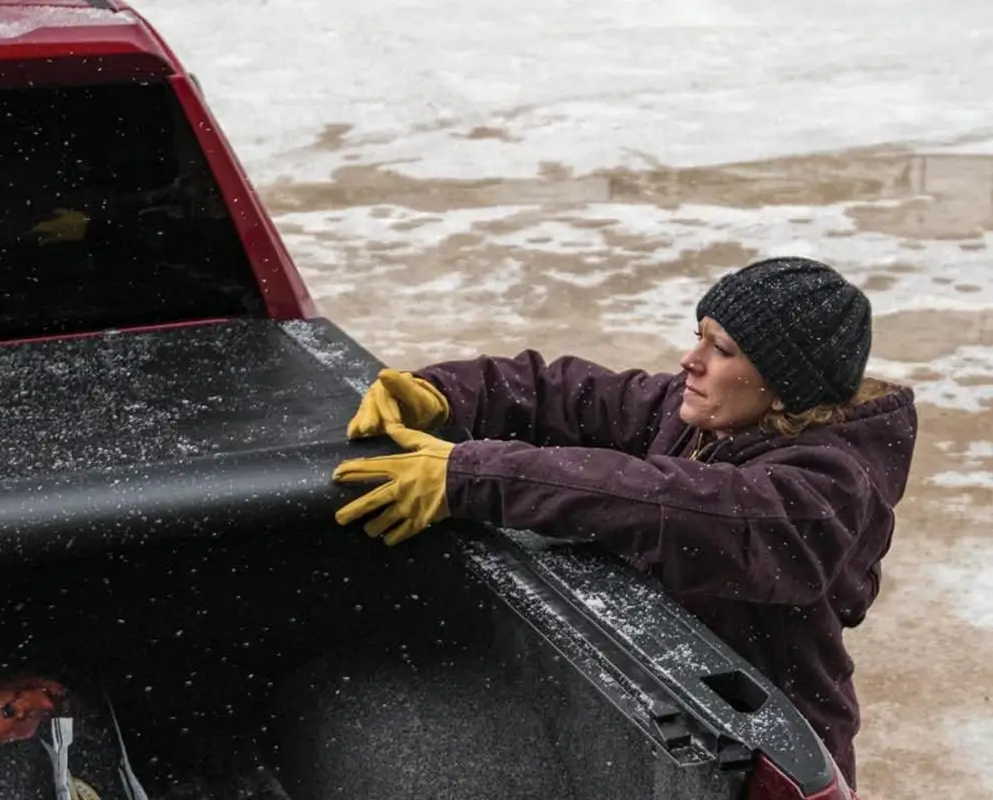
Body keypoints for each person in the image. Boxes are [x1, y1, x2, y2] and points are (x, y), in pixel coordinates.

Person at [331, 256, 917, 790]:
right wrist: (444, 393)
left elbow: (668, 502)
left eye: (723, 350)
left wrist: (469, 477)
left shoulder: (825, 491)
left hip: (767, 763)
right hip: (666, 726)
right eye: (699, 338)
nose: (691, 361)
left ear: (787, 388)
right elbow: (568, 395)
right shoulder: (707, 417)